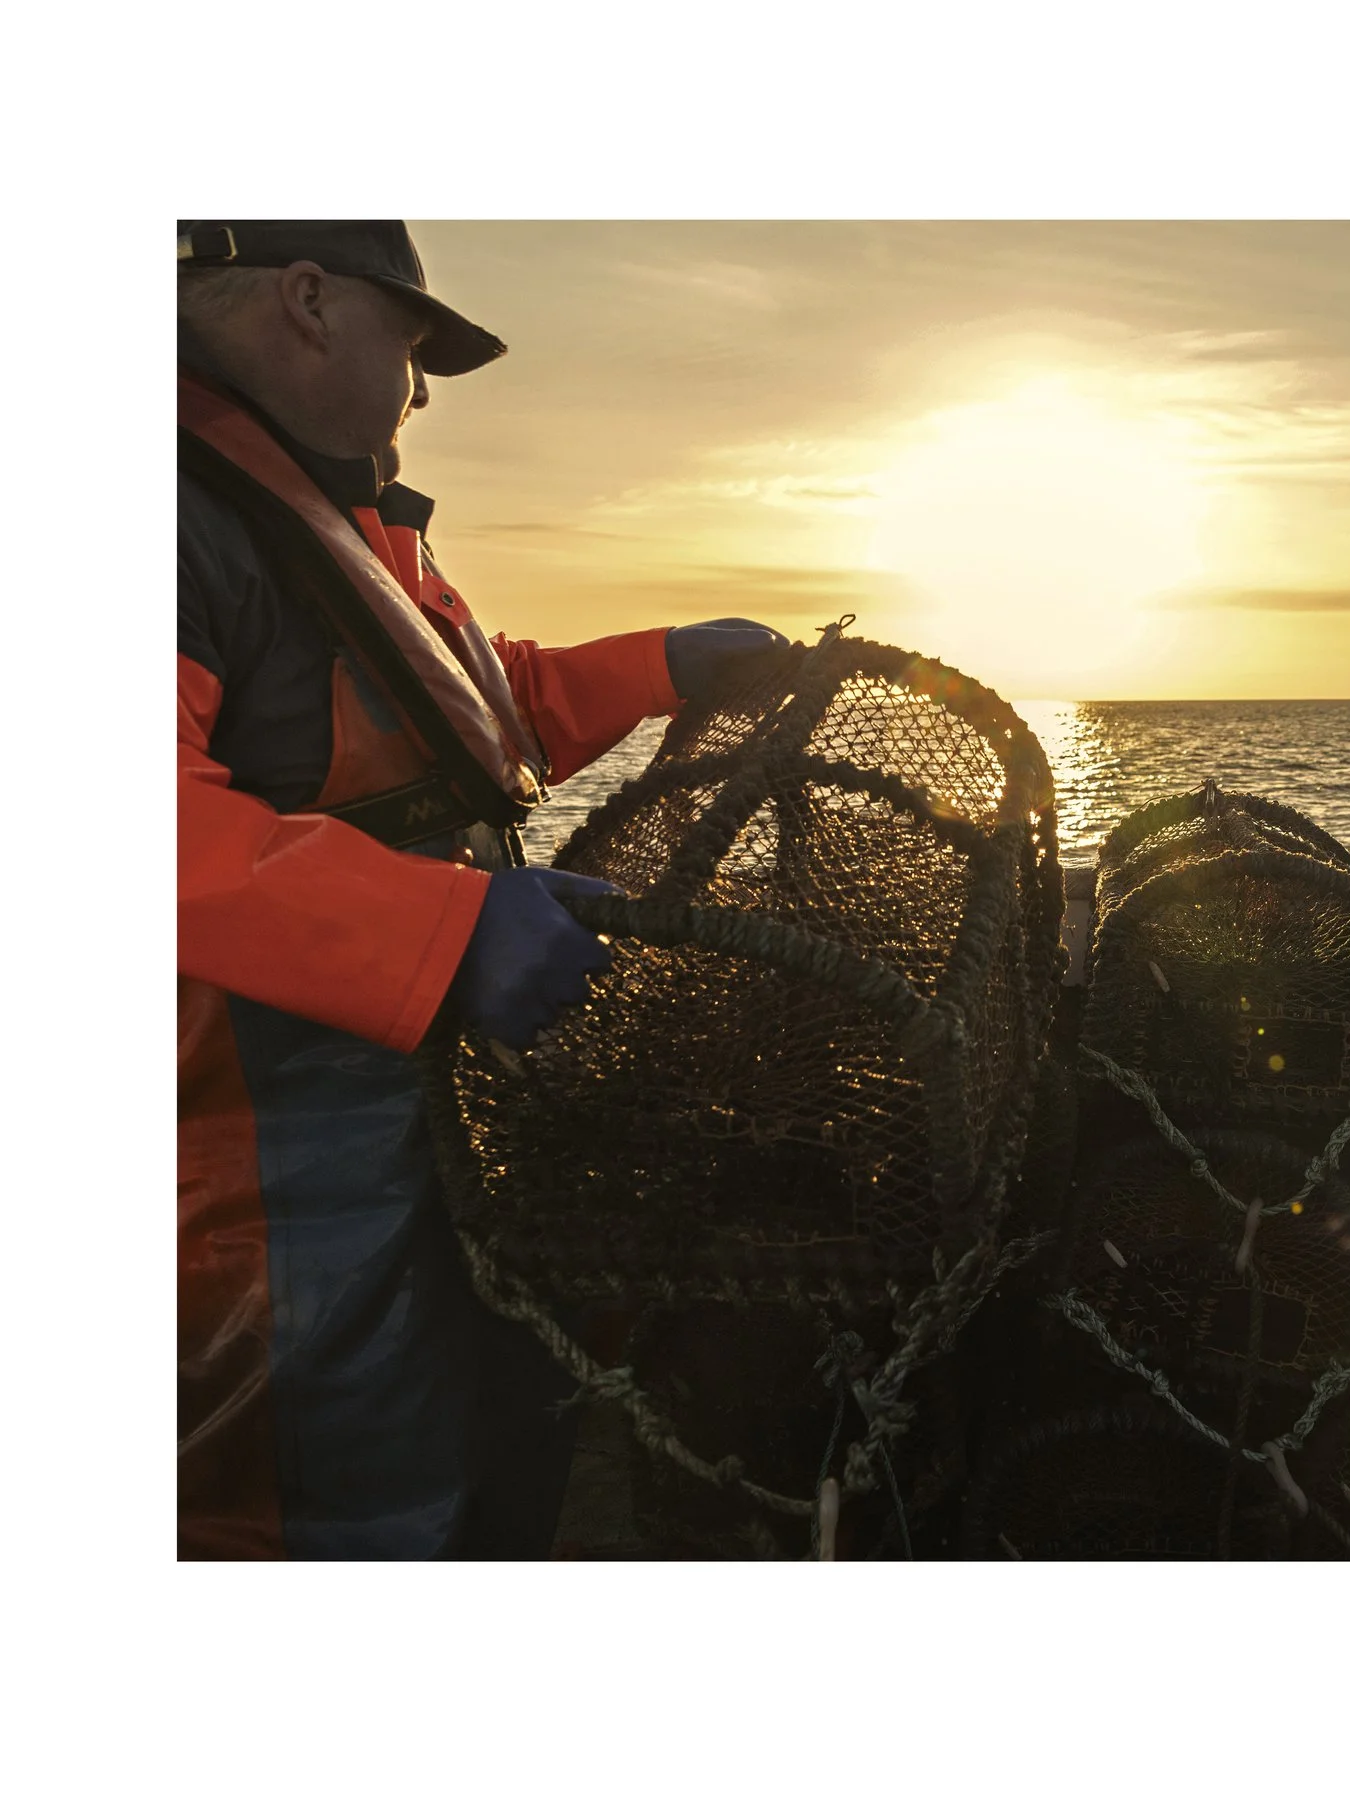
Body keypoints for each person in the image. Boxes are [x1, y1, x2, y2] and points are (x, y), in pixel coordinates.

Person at [176, 220, 791, 1558]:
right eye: (414, 346)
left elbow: (467, 714)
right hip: (262, 1217)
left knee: (480, 1482)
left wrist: (661, 668)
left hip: (408, 1155)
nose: (421, 391)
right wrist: (442, 932)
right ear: (308, 299)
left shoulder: (319, 514)